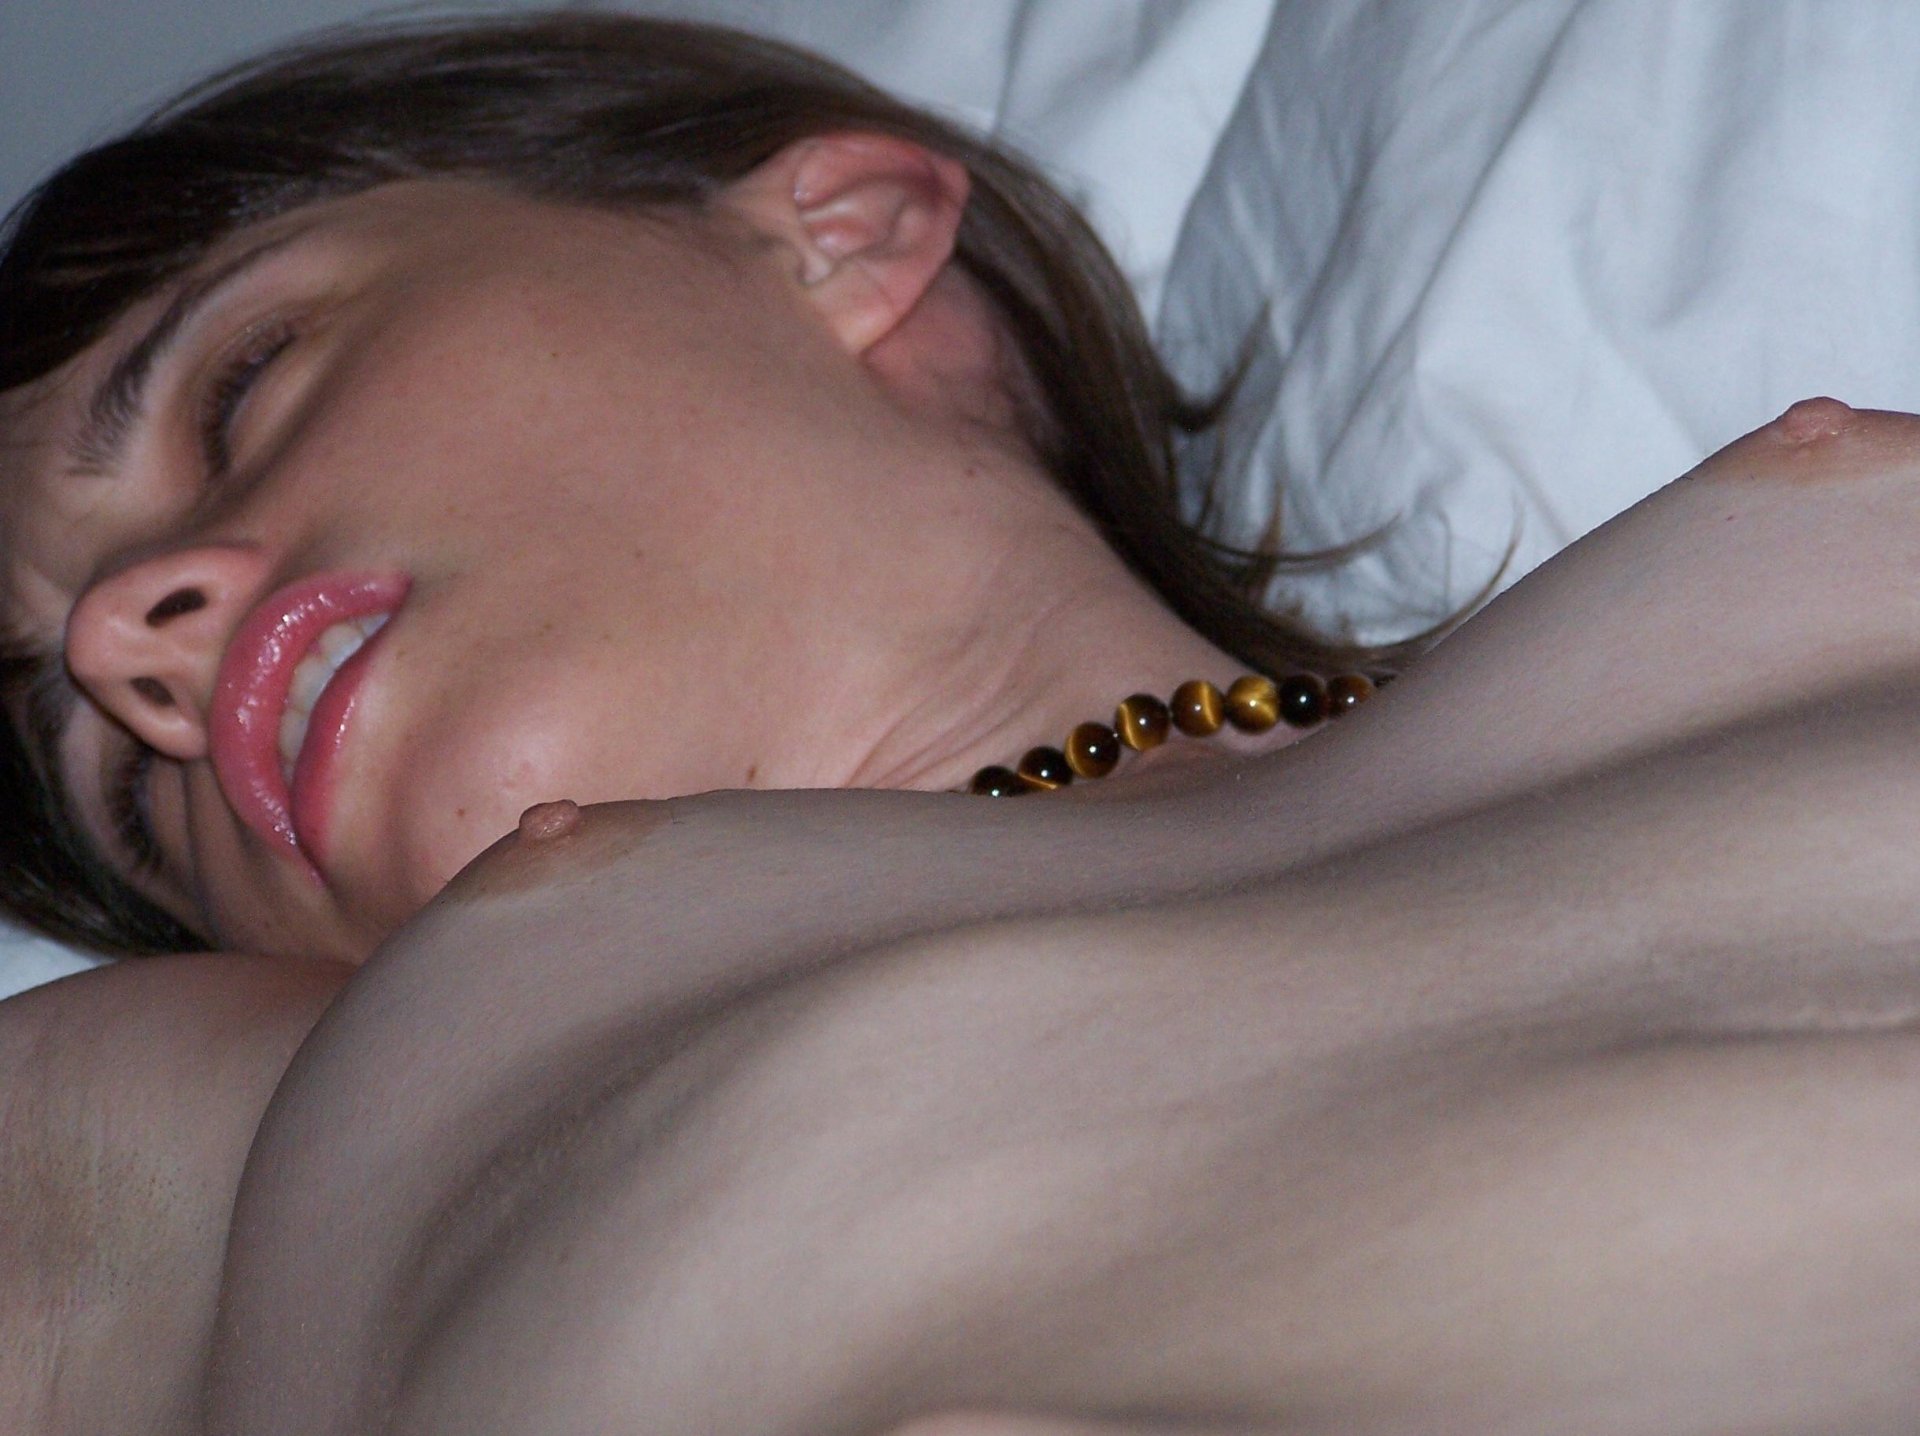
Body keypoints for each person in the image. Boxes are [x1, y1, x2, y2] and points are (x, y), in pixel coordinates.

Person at [3, 14, 1920, 1435]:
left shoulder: (1798, 563)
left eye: (240, 386)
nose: (122, 644)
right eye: (127, 808)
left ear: (840, 230)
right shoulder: (234, 1137)